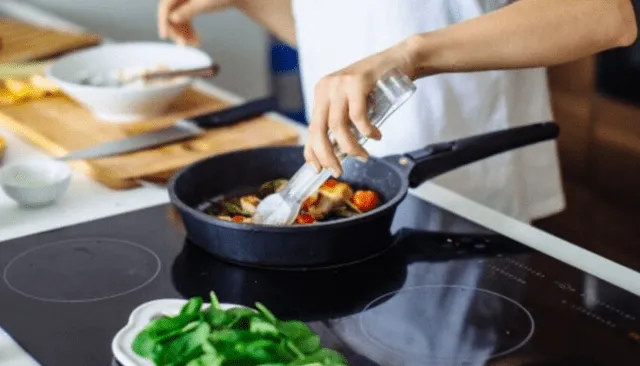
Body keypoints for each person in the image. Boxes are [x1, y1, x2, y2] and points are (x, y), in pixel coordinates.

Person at [158, 0, 637, 225]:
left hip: (458, 193)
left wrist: (410, 55)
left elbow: (605, 16)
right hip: (340, 193)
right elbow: (354, 30)